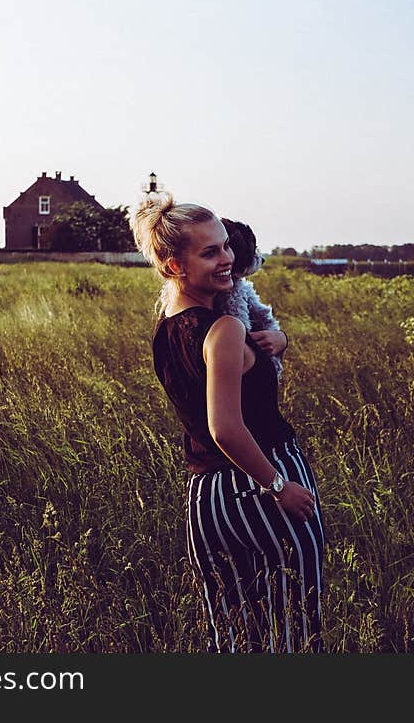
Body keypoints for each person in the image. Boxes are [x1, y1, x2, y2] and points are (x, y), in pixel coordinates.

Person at [131, 192, 326, 653]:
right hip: (261, 482)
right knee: (292, 632)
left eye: (226, 246)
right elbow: (226, 427)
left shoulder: (166, 329)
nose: (229, 260)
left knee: (234, 637)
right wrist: (279, 486)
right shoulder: (225, 329)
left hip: (208, 500)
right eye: (210, 251)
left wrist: (274, 339)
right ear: (172, 263)